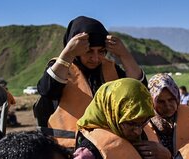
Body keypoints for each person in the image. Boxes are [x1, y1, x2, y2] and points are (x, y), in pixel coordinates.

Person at [36, 16, 145, 148]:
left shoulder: (110, 68)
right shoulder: (61, 67)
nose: (95, 58)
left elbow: (140, 90)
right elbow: (47, 89)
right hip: (68, 150)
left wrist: (124, 55)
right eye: (89, 51)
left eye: (101, 52)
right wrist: (68, 54)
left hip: (109, 147)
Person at [148, 74, 189, 156]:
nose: (167, 106)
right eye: (161, 101)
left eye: (171, 99)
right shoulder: (143, 125)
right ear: (152, 102)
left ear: (177, 97)